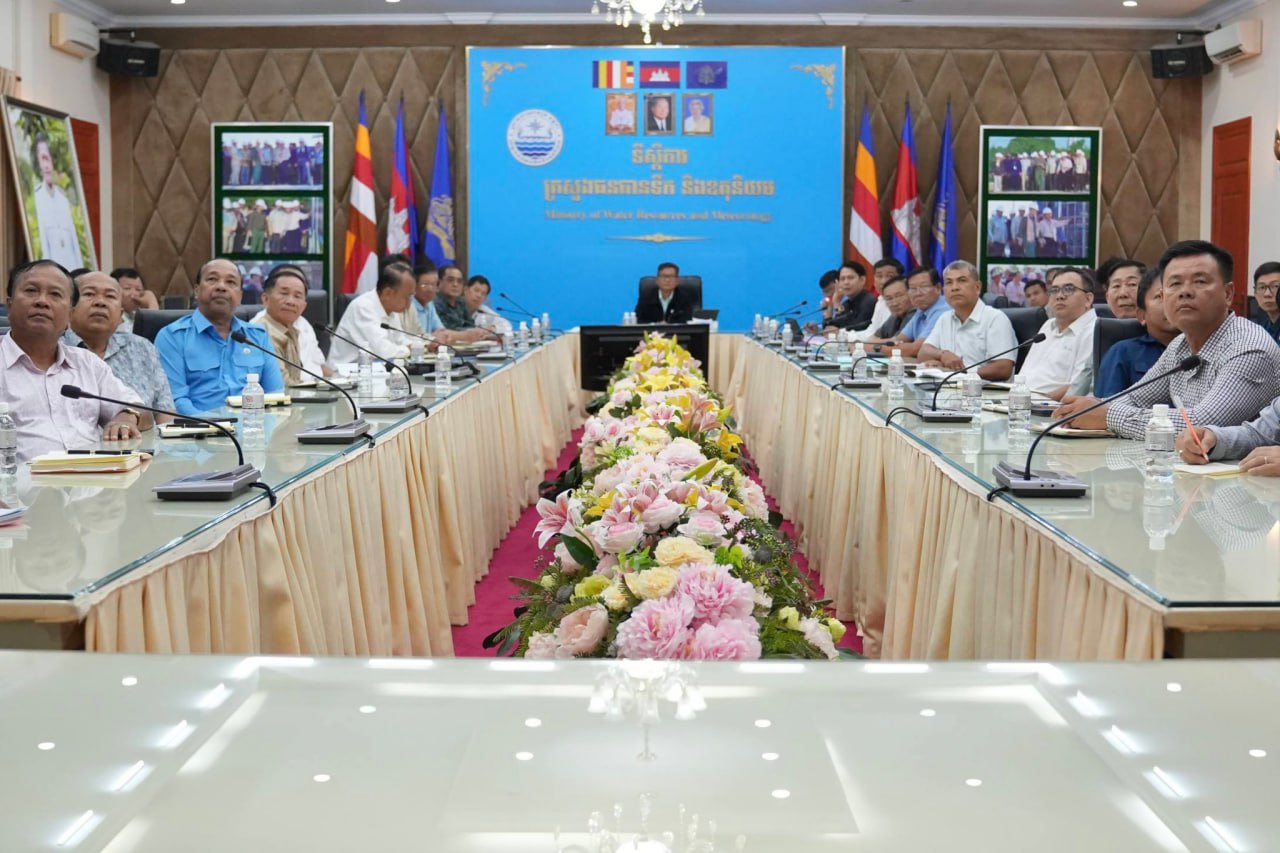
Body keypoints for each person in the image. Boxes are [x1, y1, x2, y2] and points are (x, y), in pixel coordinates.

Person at [1054, 240, 1280, 439]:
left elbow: (1203, 423)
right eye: (1175, 284)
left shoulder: (1249, 347)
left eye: (1200, 282)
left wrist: (1107, 415)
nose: (1185, 292)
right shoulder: (1179, 345)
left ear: (1228, 294)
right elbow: (1135, 398)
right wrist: (1085, 411)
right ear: (1163, 296)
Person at [1, 260, 145, 460]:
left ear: (70, 314)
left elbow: (139, 408)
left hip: (94, 475)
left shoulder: (87, 363)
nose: (42, 301)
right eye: (31, 291)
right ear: (9, 305)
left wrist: (127, 417)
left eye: (55, 294)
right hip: (20, 478)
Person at [155, 258, 284, 415]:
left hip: (254, 426)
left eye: (230, 282)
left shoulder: (257, 337)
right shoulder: (172, 337)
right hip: (199, 428)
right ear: (197, 291)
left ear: (240, 296)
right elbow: (175, 401)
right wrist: (219, 425)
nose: (221, 287)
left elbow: (275, 396)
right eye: (212, 279)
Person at [65, 271, 175, 419]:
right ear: (69, 307)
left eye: (110, 296)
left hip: (146, 434)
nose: (100, 302)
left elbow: (165, 413)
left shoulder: (142, 348)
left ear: (120, 314)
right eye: (89, 294)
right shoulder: (55, 350)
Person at [918, 260, 1019, 380]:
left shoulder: (995, 319)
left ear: (977, 287)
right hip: (950, 388)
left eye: (962, 280)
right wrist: (942, 355)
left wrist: (960, 372)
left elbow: (1003, 369)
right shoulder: (945, 318)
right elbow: (923, 353)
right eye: (949, 282)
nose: (954, 288)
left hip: (985, 390)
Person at [1014, 267, 1098, 400]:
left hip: (1049, 408)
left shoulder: (1094, 331)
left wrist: (1034, 402)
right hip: (1020, 402)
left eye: (1069, 289)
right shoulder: (1048, 326)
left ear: (1088, 299)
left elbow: (1079, 388)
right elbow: (1024, 376)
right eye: (1054, 290)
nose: (1059, 296)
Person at [1094, 266, 1179, 397]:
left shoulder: (1203, 349)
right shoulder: (1123, 353)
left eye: (1175, 295)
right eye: (1160, 296)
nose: (1170, 303)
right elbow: (1105, 406)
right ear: (1142, 315)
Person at [329, 261, 426, 364]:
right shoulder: (363, 307)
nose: (409, 303)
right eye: (406, 297)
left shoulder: (392, 309)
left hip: (375, 370)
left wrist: (421, 346)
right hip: (343, 371)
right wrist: (409, 349)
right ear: (387, 293)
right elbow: (382, 352)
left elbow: (400, 340)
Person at [249, 267, 329, 383]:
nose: (290, 302)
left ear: (303, 307)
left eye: (297, 296)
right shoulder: (260, 332)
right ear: (265, 299)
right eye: (284, 293)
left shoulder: (292, 330)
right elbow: (282, 385)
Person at [870, 266, 950, 359]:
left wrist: (876, 348)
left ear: (938, 288)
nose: (918, 293)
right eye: (913, 288)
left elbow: (916, 348)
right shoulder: (921, 310)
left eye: (924, 287)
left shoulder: (943, 310)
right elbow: (897, 340)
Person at [30, 133, 83, 270]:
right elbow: (43, 244)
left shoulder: (63, 198)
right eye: (43, 159)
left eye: (49, 159)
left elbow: (74, 241)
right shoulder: (37, 198)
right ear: (38, 163)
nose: (47, 165)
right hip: (53, 270)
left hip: (72, 267)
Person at [850, 258, 907, 343]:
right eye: (879, 276)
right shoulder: (880, 301)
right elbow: (872, 333)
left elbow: (895, 340)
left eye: (889, 276)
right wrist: (843, 335)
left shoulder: (904, 303)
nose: (883, 281)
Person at [856, 276, 914, 347]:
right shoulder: (894, 316)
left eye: (898, 296)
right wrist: (888, 341)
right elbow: (871, 339)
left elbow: (897, 342)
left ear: (911, 294)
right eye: (889, 298)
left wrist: (880, 343)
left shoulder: (915, 315)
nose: (894, 303)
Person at [826, 261, 877, 332]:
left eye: (850, 278)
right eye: (842, 279)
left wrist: (837, 305)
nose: (846, 282)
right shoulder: (847, 304)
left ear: (862, 280)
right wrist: (834, 305)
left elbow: (857, 329)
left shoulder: (869, 301)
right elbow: (830, 330)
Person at [111, 267, 158, 333]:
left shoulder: (138, 315)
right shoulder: (112, 316)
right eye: (127, 288)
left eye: (138, 289)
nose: (134, 294)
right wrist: (152, 303)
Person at [1248, 261, 1280, 344]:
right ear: (1255, 294)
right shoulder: (1262, 328)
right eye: (1262, 287)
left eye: (1275, 286)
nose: (1267, 294)